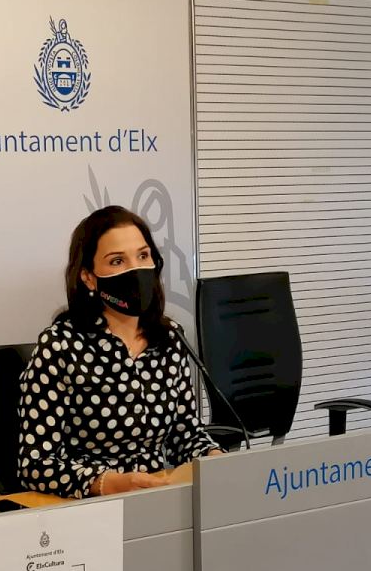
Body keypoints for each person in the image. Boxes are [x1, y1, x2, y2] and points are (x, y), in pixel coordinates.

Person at [18, 205, 222, 498]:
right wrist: (106, 483)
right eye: (117, 261)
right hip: (89, 506)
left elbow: (184, 435)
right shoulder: (60, 347)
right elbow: (35, 466)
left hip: (156, 498)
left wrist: (214, 458)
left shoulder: (169, 338)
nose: (135, 270)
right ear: (88, 277)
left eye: (143, 256)